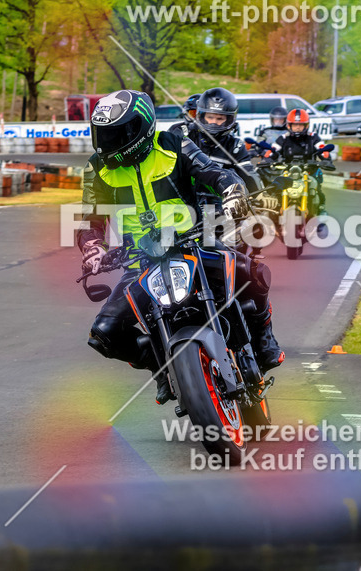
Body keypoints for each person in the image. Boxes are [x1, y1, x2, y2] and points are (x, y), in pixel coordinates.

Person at [78, 89, 284, 404]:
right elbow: (89, 219)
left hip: (195, 241)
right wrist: (93, 247)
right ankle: (160, 368)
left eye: (117, 133)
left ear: (141, 127)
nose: (108, 141)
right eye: (103, 133)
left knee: (253, 272)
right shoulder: (96, 167)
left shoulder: (174, 144)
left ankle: (264, 340)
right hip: (141, 259)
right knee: (104, 334)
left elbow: (216, 174)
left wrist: (232, 192)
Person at [269, 109, 333, 215]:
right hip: (288, 171)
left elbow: (322, 148)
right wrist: (268, 159)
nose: (298, 127)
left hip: (309, 170)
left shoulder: (313, 137)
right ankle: (274, 212)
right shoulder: (283, 138)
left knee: (317, 186)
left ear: (306, 125)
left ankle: (320, 208)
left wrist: (326, 159)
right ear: (289, 125)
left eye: (300, 124)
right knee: (276, 188)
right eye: (295, 125)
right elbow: (273, 150)